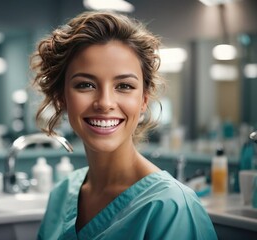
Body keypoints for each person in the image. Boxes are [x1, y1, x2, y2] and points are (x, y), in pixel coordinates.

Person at [31, 11, 217, 240]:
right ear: (62, 98)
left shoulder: (172, 208)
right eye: (86, 85)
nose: (105, 103)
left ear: (143, 100)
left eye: (124, 86)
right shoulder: (63, 193)